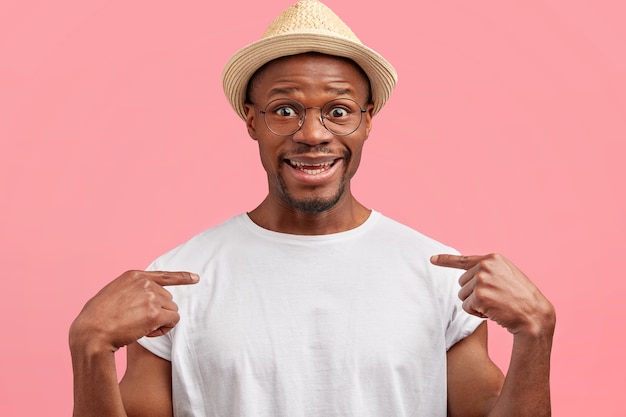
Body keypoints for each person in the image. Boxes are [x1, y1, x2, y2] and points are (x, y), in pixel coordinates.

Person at [69, 1, 556, 416]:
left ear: (368, 121)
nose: (313, 133)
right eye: (284, 110)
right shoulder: (176, 282)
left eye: (338, 111)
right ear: (251, 121)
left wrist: (536, 332)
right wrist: (89, 347)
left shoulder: (440, 276)